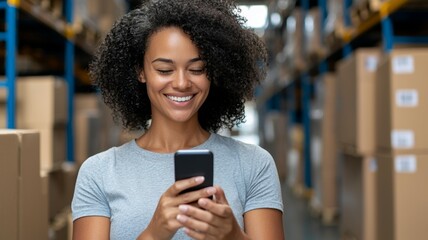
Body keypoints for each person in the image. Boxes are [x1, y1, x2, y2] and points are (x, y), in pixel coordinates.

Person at [71, 0, 284, 239]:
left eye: (197, 69)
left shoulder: (254, 164)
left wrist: (233, 235)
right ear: (141, 72)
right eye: (164, 70)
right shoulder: (99, 172)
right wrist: (154, 233)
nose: (182, 83)